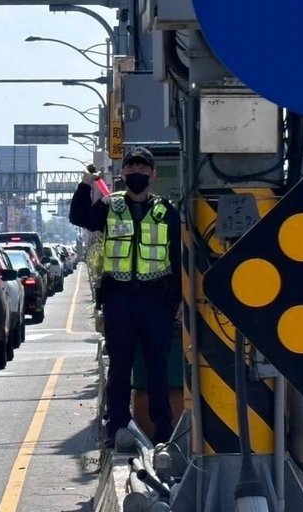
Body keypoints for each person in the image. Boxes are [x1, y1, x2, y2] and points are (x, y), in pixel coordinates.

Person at [69, 147, 181, 448]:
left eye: (143, 169)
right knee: (120, 367)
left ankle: (163, 430)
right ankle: (116, 427)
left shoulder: (166, 211)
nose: (137, 174)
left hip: (156, 300)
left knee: (158, 367)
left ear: (153, 175)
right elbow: (79, 217)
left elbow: (178, 256)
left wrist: (178, 300)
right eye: (131, 169)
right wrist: (85, 185)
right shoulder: (110, 206)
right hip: (119, 300)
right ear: (122, 174)